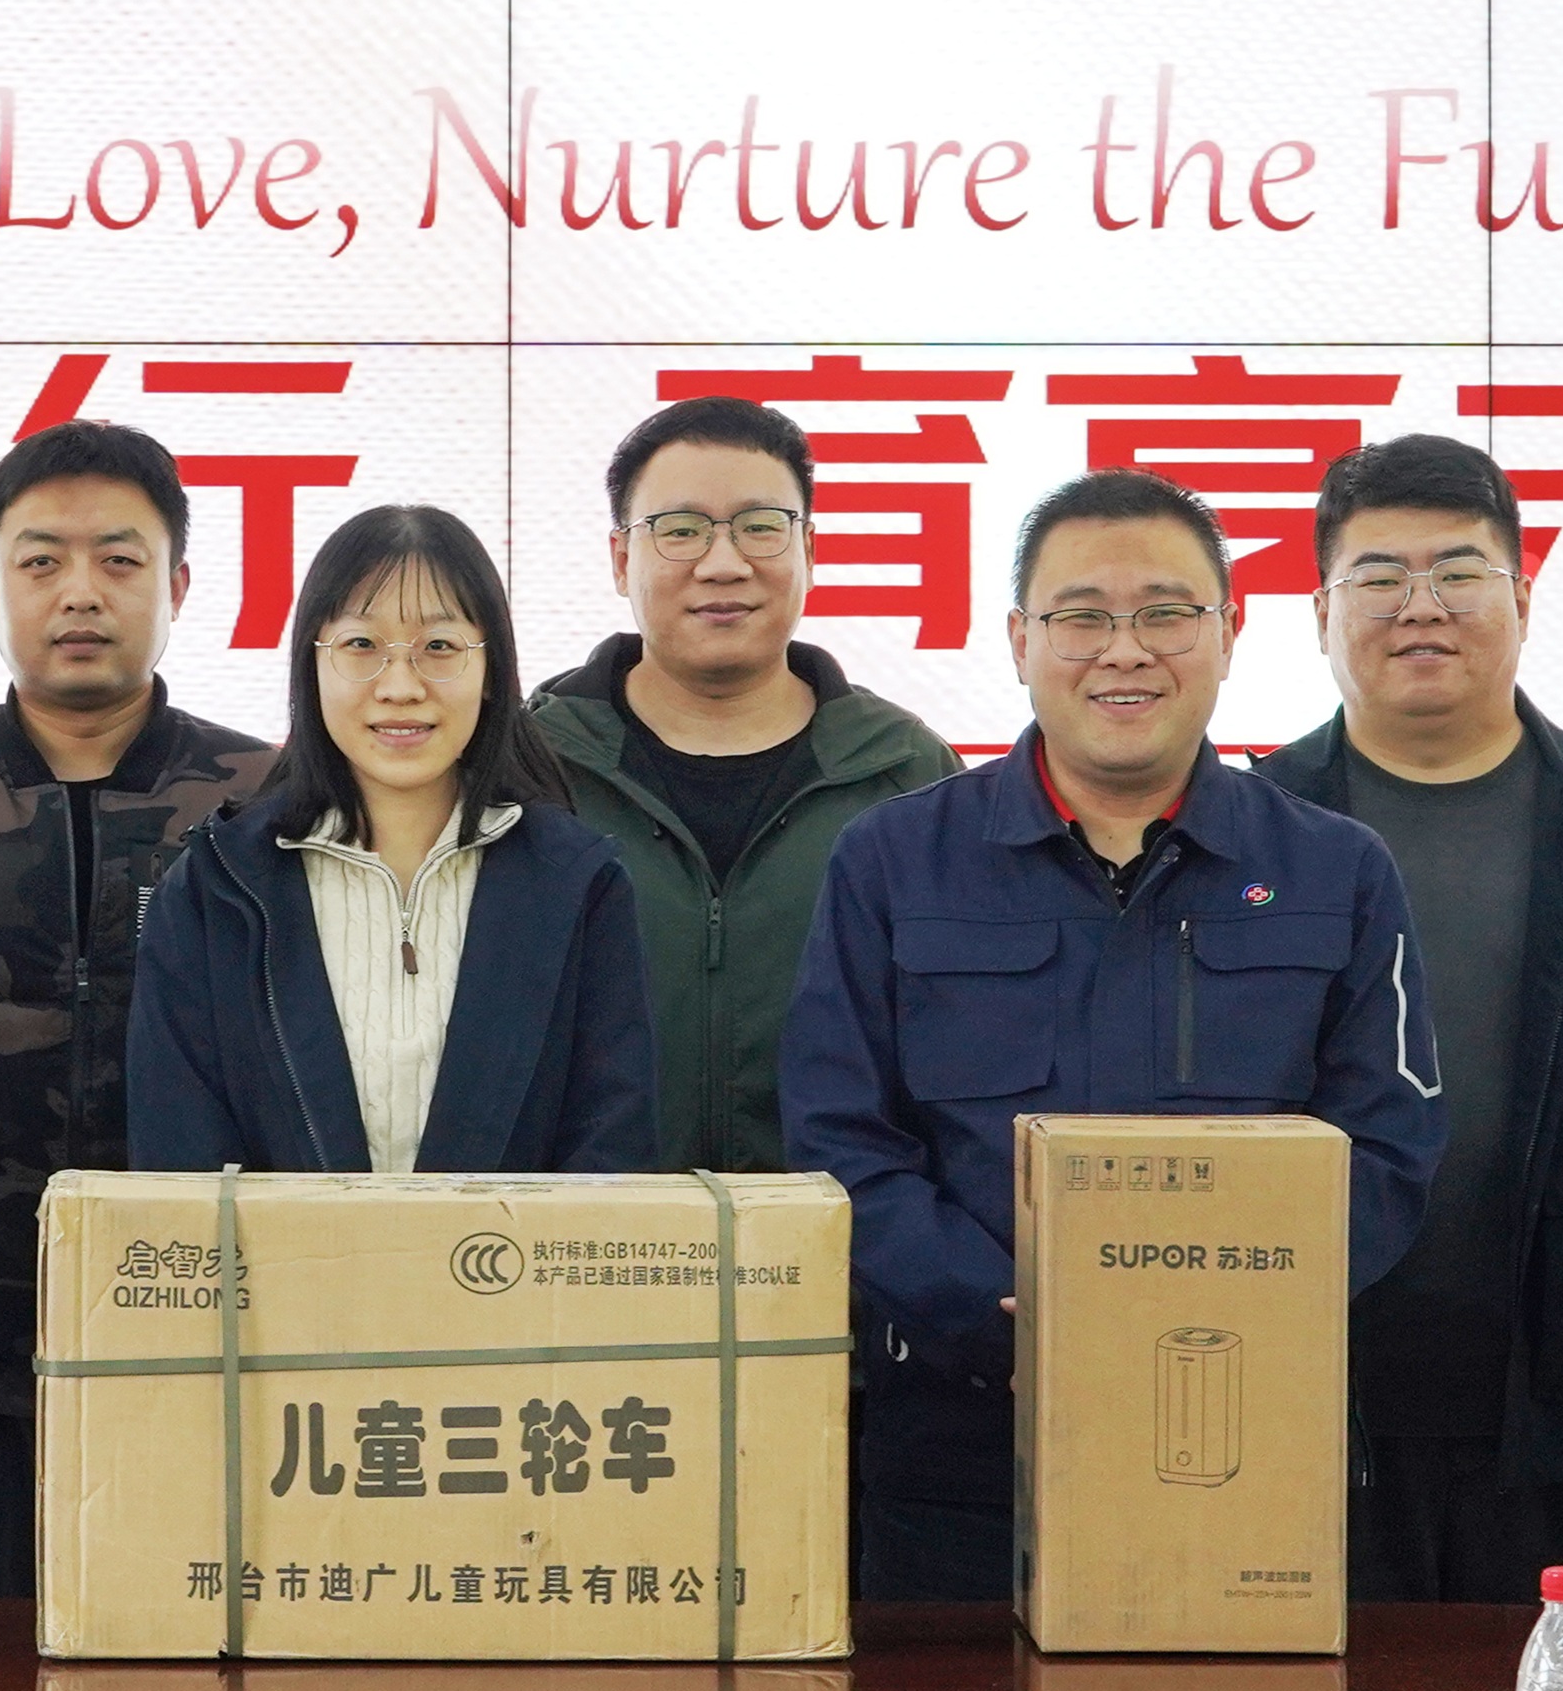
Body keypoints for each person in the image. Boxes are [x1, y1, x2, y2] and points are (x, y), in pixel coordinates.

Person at [782, 469, 1445, 1603]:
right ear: (1019, 641)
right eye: (1081, 617)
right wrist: (1011, 1318)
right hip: (958, 1437)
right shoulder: (892, 861)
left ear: (1229, 631)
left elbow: (1387, 1144)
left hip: (1250, 1419)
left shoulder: (1334, 869)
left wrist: (1214, 1304)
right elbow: (837, 1136)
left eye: (1166, 614)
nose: (1123, 652)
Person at [0, 418, 277, 1596]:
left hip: (200, 1340)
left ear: (179, 586)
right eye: (41, 561)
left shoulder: (270, 802)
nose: (79, 593)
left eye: (119, 560)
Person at [1255, 432, 1563, 1606]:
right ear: (1320, 612)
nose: (1420, 606)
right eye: (1378, 576)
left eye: (1458, 573)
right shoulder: (1243, 828)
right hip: (1298, 1395)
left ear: (1522, 598)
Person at [128, 502, 658, 1175]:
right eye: (360, 646)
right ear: (311, 665)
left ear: (491, 670)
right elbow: (179, 1163)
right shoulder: (217, 887)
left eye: (439, 647)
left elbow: (609, 1156)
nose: (400, 687)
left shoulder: (578, 885)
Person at [529, 395, 958, 1169]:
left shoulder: (906, 776)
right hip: (583, 1234)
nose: (722, 563)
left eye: (760, 527)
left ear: (809, 550)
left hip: (842, 1237)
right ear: (621, 559)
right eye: (681, 530)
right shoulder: (528, 771)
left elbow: (959, 1051)